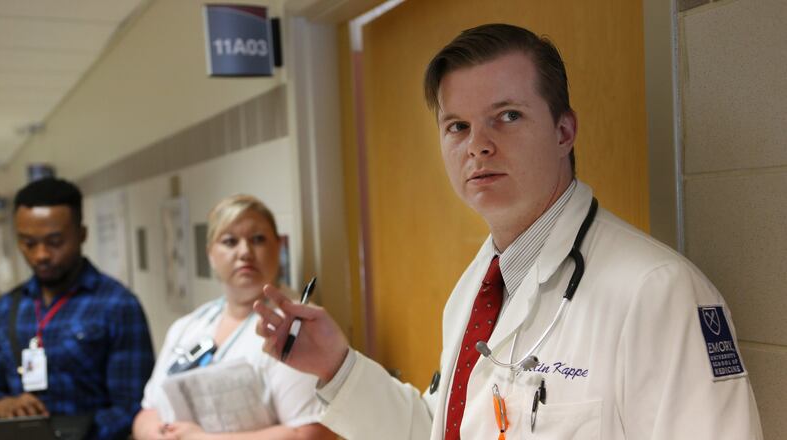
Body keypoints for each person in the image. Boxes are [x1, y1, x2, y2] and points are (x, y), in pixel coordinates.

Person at [253, 23, 763, 439]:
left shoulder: (658, 292)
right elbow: (443, 429)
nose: (478, 145)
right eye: (457, 126)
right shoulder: (476, 289)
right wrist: (337, 365)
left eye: (508, 116)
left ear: (564, 131)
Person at [133, 195, 334, 440]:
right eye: (230, 241)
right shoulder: (188, 326)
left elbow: (312, 433)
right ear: (210, 254)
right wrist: (154, 434)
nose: (245, 252)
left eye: (258, 239)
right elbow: (148, 411)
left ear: (279, 246)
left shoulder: (297, 328)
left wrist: (201, 439)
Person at [0, 177, 155, 439]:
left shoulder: (117, 305)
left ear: (82, 234)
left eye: (55, 241)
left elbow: (134, 406)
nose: (41, 255)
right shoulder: (7, 307)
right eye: (29, 243)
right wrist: (4, 405)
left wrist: (65, 432)